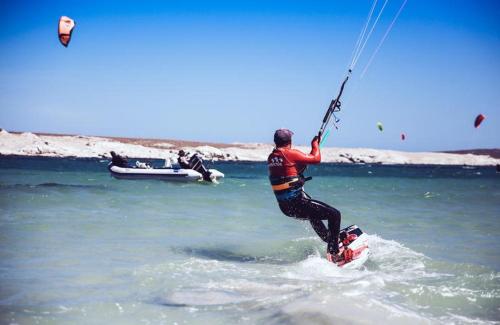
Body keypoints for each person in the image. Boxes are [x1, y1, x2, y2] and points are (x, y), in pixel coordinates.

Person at [267, 129, 342, 262]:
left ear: (275, 141)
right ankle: (334, 252)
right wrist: (315, 145)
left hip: (286, 209)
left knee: (314, 216)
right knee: (335, 214)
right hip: (298, 203)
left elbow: (289, 171)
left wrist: (298, 171)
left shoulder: (272, 157)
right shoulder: (290, 153)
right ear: (289, 141)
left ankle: (329, 240)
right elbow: (316, 158)